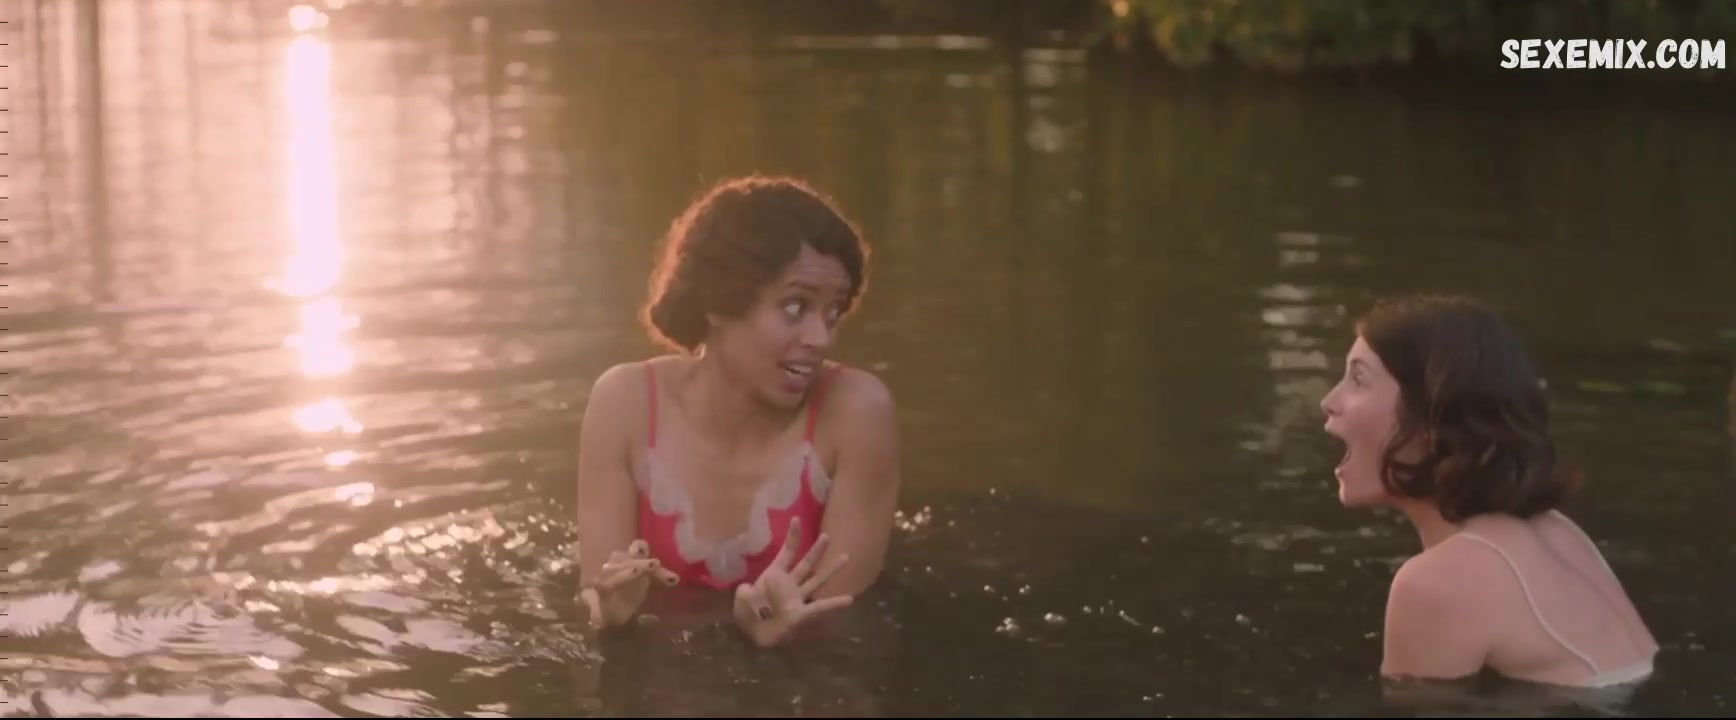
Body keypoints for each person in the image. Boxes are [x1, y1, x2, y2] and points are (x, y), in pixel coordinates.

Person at [574, 175, 901, 649]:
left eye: (833, 313)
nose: (821, 339)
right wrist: (612, 618)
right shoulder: (624, 403)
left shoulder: (857, 413)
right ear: (718, 303)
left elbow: (846, 628)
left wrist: (785, 640)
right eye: (795, 307)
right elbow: (597, 595)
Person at [1319, 294, 1658, 688]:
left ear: (1432, 419)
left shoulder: (1435, 584)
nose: (1329, 402)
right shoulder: (1555, 530)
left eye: (1359, 380)